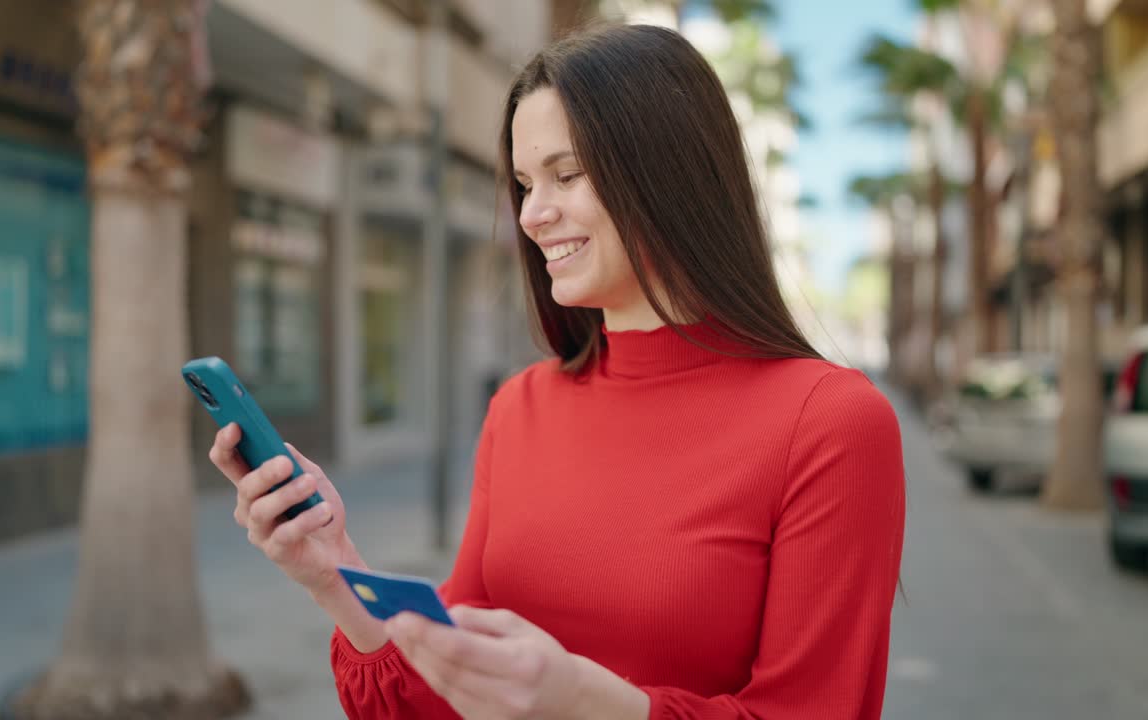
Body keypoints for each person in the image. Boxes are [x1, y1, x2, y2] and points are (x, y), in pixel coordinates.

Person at [209, 23, 905, 720]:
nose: (534, 214)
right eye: (523, 183)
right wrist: (334, 571)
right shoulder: (521, 407)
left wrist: (582, 700)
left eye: (567, 175)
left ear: (672, 173)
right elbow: (446, 689)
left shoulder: (830, 422)